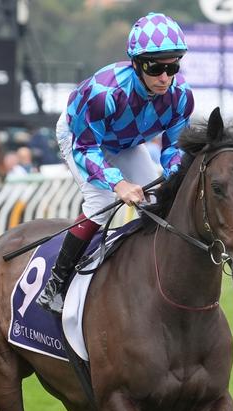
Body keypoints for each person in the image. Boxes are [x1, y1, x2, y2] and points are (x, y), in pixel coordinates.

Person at [37, 12, 194, 315]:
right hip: (82, 138)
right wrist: (119, 183)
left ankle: (152, 273)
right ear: (136, 64)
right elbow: (86, 149)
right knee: (102, 200)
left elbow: (174, 147)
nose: (165, 77)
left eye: (172, 66)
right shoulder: (104, 93)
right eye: (155, 67)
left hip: (126, 142)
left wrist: (174, 175)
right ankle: (56, 284)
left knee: (158, 198)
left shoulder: (181, 97)